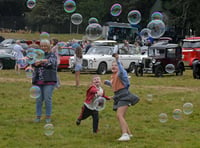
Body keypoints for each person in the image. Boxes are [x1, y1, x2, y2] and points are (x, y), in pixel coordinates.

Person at [104, 53, 140, 141]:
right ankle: (129, 134)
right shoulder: (113, 76)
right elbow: (115, 85)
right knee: (121, 116)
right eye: (112, 65)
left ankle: (125, 135)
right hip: (120, 96)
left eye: (115, 65)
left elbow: (122, 72)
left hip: (125, 96)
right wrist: (108, 83)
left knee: (119, 115)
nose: (113, 66)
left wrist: (117, 60)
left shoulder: (121, 74)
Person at [32, 39, 57, 123]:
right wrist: (36, 62)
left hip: (49, 81)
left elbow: (51, 63)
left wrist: (41, 61)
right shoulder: (38, 55)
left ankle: (48, 117)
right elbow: (33, 63)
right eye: (42, 46)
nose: (43, 48)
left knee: (47, 99)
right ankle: (38, 117)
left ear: (48, 46)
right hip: (38, 80)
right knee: (38, 100)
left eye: (45, 46)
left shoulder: (52, 55)